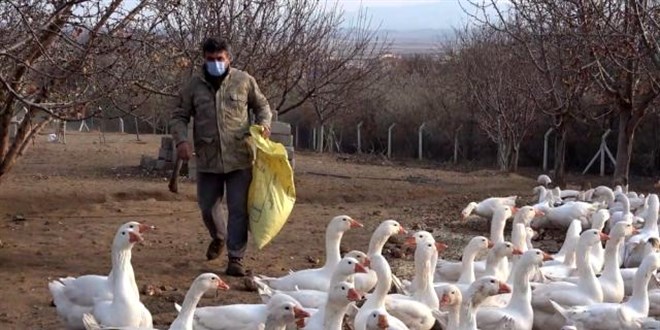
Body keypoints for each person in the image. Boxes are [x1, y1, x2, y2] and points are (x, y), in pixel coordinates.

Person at [170, 37, 272, 277]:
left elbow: (262, 107)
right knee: (207, 206)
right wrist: (182, 140)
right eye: (210, 59)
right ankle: (219, 236)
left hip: (240, 156)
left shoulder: (244, 81)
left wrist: (264, 125)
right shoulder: (193, 86)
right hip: (207, 158)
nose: (215, 63)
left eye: (220, 59)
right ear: (204, 59)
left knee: (238, 209)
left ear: (229, 58)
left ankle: (235, 257)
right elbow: (179, 115)